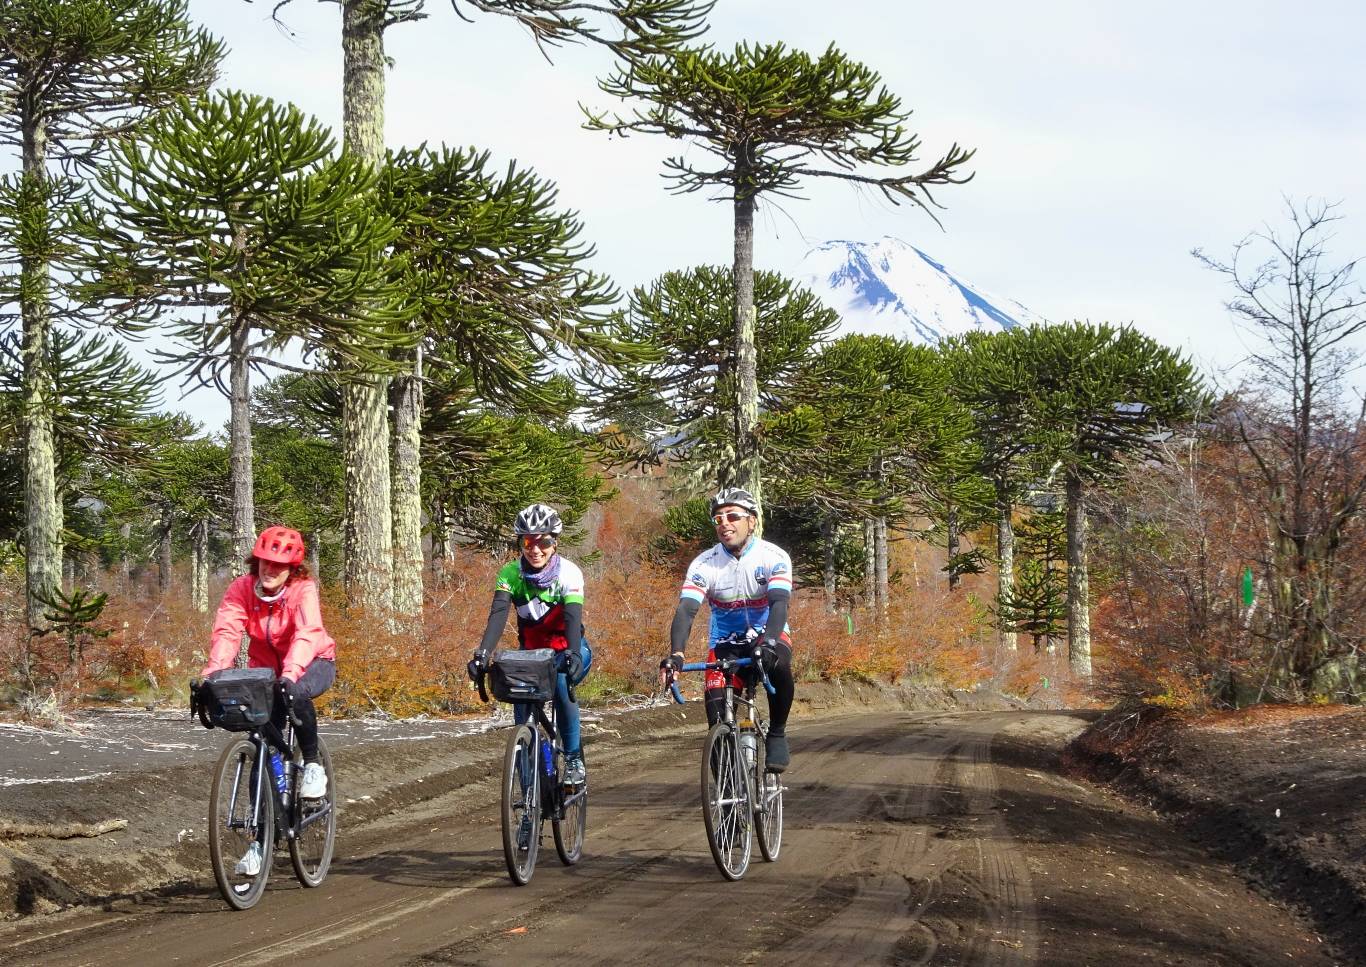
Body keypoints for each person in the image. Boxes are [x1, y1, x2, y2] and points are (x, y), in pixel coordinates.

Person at [200, 525, 337, 875]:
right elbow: (228, 632)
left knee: (297, 693)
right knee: (260, 746)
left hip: (313, 662)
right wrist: (213, 676)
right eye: (264, 563)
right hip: (265, 673)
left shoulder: (303, 590)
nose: (270, 570)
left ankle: (312, 765)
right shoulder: (242, 590)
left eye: (279, 565)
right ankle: (259, 843)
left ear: (293, 568)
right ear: (256, 562)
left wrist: (291, 675)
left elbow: (308, 634)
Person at [659, 488, 796, 772]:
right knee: (716, 716)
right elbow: (687, 609)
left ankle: (777, 733)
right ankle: (727, 790)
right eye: (718, 519)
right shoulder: (705, 563)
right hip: (725, 641)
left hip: (767, 631)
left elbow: (779, 603)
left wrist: (769, 642)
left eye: (732, 516)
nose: (724, 524)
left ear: (752, 521)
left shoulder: (773, 556)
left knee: (779, 664)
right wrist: (676, 654)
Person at [468, 503, 588, 786]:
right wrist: (482, 654)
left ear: (555, 542)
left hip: (569, 648)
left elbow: (572, 618)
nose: (535, 549)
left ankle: (573, 759)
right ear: (520, 543)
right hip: (532, 656)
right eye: (527, 542)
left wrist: (571, 654)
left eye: (543, 542)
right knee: (520, 703)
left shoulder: (569, 574)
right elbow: (498, 615)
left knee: (561, 684)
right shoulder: (511, 574)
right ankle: (527, 799)